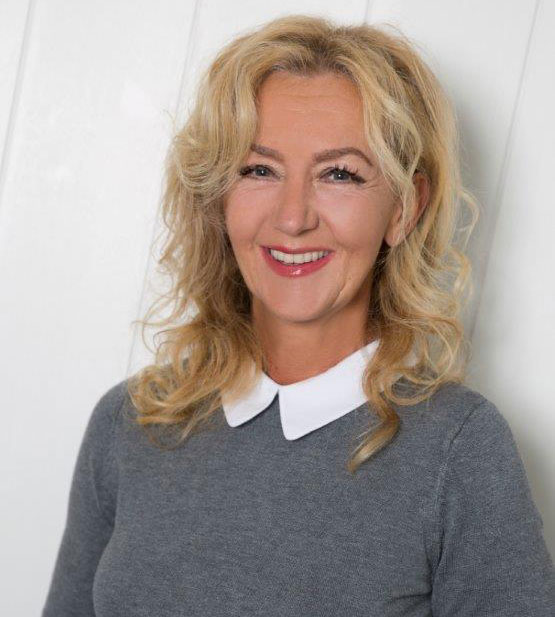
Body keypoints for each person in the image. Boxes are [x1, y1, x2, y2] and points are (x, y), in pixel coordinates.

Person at [42, 14, 554, 616]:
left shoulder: (458, 449)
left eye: (339, 174)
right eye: (259, 170)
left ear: (403, 208)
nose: (292, 218)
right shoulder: (130, 421)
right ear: (219, 196)